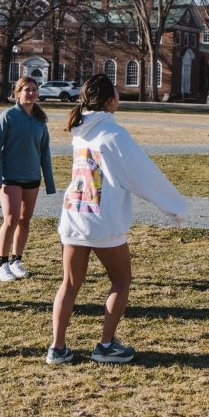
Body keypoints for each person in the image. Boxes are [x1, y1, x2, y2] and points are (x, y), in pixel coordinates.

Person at [47, 73, 187, 365]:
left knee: (69, 284)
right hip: (102, 219)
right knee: (121, 280)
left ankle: (57, 348)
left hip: (74, 215)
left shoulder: (80, 131)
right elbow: (143, 176)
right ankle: (106, 346)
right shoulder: (114, 134)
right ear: (111, 100)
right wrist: (175, 207)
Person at [0, 76, 56, 281]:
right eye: (27, 89)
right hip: (10, 178)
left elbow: (44, 151)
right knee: (11, 219)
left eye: (35, 89)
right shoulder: (8, 116)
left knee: (24, 220)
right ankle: (2, 264)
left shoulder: (40, 120)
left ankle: (16, 260)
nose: (32, 93)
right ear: (18, 93)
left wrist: (49, 182)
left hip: (32, 178)